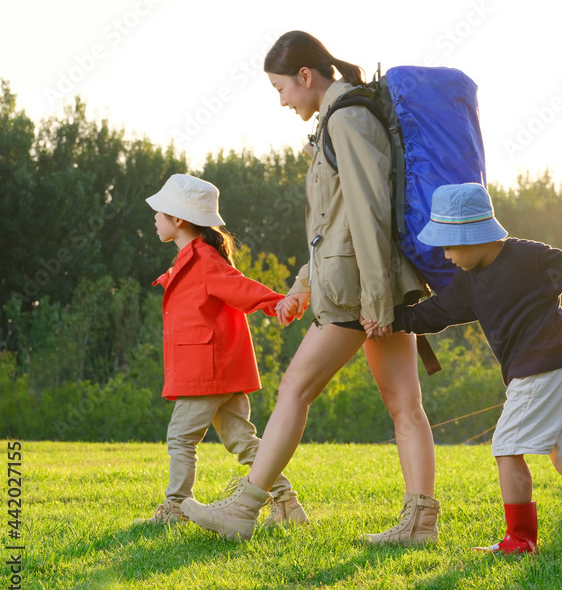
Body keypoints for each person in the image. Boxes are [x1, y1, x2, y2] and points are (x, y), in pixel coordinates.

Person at [182, 31, 439, 543]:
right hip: (367, 283)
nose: (281, 101)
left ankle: (245, 508)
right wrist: (303, 284)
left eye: (281, 88)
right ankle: (421, 522)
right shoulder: (341, 118)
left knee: (296, 388)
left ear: (305, 76)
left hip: (359, 291)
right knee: (404, 404)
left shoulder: (348, 118)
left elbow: (368, 211)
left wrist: (373, 299)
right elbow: (335, 223)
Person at [362, 183, 562, 559]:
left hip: (540, 370)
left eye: (449, 245)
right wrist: (392, 321)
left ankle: (520, 540)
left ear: (472, 235)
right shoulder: (469, 280)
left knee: (506, 448)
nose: (445, 256)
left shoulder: (531, 258)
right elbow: (435, 313)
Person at [137, 173, 307, 529]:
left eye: (159, 212)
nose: (154, 218)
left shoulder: (203, 260)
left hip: (207, 371)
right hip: (217, 369)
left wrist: (279, 302)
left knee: (181, 437)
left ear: (178, 219)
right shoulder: (192, 258)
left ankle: (175, 509)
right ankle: (287, 504)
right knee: (242, 440)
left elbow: (240, 288)